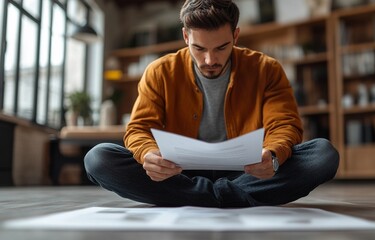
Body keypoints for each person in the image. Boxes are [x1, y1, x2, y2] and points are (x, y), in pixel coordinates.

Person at [84, 0, 339, 208]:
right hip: (179, 173)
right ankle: (232, 197)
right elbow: (139, 128)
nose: (209, 59)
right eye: (199, 48)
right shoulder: (159, 72)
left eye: (221, 47)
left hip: (248, 171)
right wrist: (148, 154)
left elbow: (285, 125)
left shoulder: (266, 69)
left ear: (235, 36)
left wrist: (271, 156)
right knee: (98, 158)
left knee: (323, 155)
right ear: (185, 36)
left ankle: (194, 197)